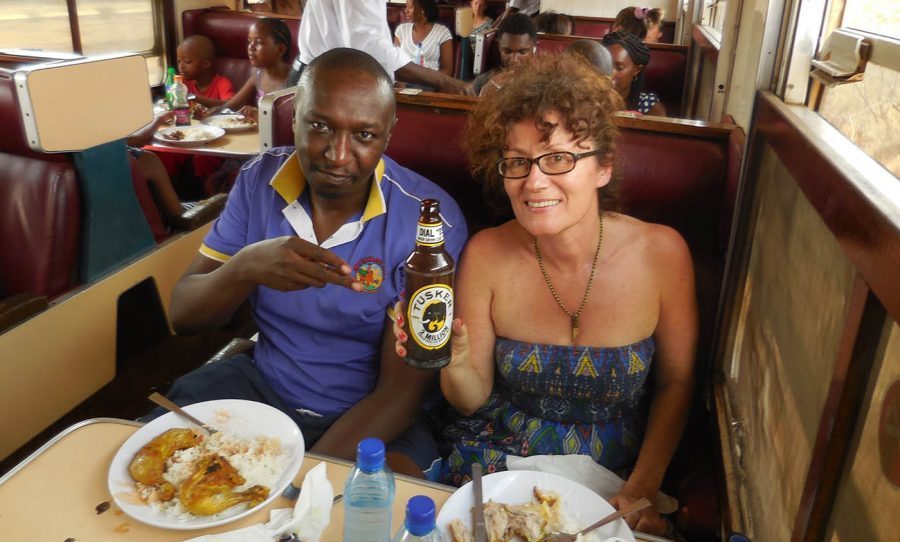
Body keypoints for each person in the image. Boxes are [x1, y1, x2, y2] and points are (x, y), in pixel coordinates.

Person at [393, 53, 697, 535]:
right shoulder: (487, 253)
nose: (534, 181)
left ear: (602, 168)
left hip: (613, 481)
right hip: (494, 463)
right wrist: (453, 359)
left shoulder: (662, 253)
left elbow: (677, 383)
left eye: (558, 158)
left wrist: (644, 484)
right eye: (517, 162)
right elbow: (471, 400)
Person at [160, 48, 468, 479]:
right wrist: (245, 267)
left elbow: (401, 395)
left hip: (373, 418)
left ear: (389, 133)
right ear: (294, 114)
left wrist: (296, 477)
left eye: (364, 135)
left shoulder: (428, 223)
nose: (339, 156)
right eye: (320, 126)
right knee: (164, 465)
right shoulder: (257, 181)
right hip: (263, 389)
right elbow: (183, 316)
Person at [290, 0, 472, 95]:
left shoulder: (441, 32)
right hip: (325, 83)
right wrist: (445, 82)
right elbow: (371, 52)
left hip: (321, 75)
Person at [218, 17, 292, 121]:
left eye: (259, 42)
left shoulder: (295, 80)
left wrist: (260, 116)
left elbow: (293, 123)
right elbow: (231, 106)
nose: (251, 47)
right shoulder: (258, 77)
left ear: (280, 49)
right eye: (249, 41)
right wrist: (212, 112)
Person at [471, 13, 537, 96]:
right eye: (507, 52)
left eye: (522, 52)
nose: (514, 60)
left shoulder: (544, 84)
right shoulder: (483, 81)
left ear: (534, 48)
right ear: (499, 47)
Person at [602, 31, 666, 116]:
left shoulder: (651, 108)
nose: (610, 74)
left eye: (619, 68)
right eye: (606, 65)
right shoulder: (590, 100)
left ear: (637, 70)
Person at [393, 0, 454, 76]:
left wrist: (429, 81)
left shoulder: (442, 32)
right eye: (406, 6)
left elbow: (447, 70)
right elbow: (395, 62)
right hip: (404, 82)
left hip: (430, 83)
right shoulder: (401, 30)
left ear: (422, 10)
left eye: (410, 7)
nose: (406, 11)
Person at [176, 35, 235, 107]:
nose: (181, 66)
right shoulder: (183, 83)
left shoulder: (222, 84)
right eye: (179, 61)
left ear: (205, 64)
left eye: (187, 62)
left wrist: (194, 98)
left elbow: (230, 105)